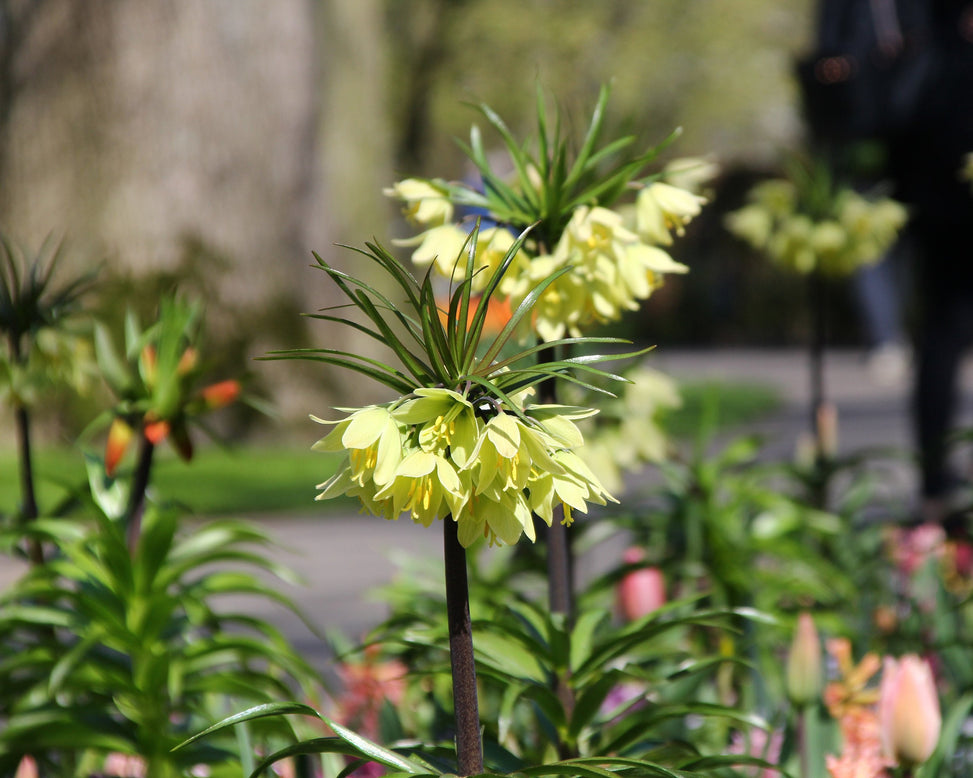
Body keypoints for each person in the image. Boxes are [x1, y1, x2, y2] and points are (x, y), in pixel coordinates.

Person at [888, 0, 973, 528]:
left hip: (932, 207)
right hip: (950, 210)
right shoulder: (950, 60)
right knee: (942, 341)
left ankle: (934, 484)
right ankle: (937, 484)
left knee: (940, 341)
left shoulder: (925, 51)